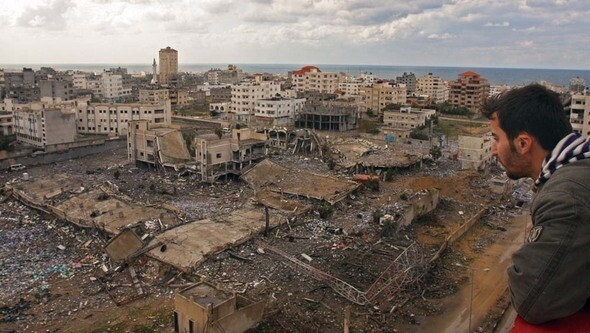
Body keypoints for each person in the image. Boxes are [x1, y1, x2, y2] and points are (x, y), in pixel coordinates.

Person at [482, 84, 590, 327]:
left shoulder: (567, 197)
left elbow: (532, 298)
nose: (493, 151)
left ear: (523, 143)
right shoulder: (576, 170)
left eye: (497, 139)